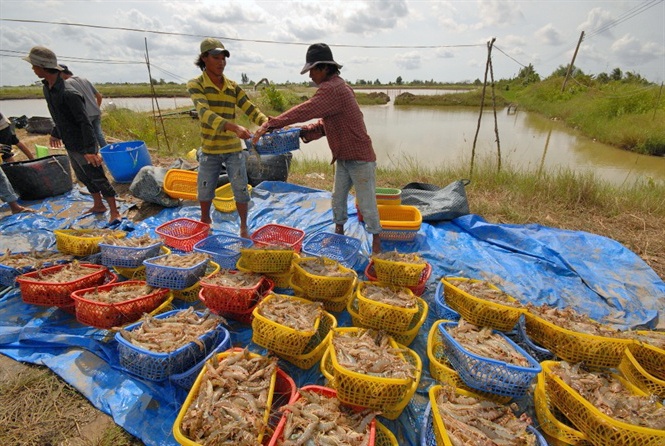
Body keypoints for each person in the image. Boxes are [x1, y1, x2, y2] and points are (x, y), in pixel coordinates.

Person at [253, 43, 382, 253]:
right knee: (337, 198)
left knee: (366, 204)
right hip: (343, 157)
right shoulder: (339, 87)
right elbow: (325, 124)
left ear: (323, 68)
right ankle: (338, 232)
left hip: (360, 158)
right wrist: (302, 132)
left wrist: (272, 123)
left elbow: (307, 109)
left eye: (312, 70)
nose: (310, 75)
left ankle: (376, 244)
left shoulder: (333, 89)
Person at [23, 46, 121, 224]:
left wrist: (91, 150)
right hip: (70, 142)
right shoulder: (48, 89)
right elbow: (58, 116)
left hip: (83, 144)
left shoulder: (69, 93)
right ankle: (98, 204)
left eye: (34, 66)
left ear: (43, 67)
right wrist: (55, 132)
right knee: (83, 176)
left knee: (97, 176)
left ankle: (115, 212)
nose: (32, 69)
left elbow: (85, 122)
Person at [187, 38, 268, 238]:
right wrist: (233, 127)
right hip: (209, 148)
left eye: (224, 58)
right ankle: (205, 220)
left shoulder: (232, 86)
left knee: (240, 188)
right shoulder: (196, 85)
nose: (221, 62)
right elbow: (204, 113)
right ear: (204, 58)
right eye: (216, 57)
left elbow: (250, 108)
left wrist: (266, 123)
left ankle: (243, 227)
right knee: (205, 190)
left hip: (233, 149)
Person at [60, 65, 107, 148]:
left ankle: (94, 154)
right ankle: (107, 152)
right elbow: (99, 96)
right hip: (96, 112)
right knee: (99, 134)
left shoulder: (67, 83)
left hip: (85, 115)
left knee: (88, 136)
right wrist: (97, 107)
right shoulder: (84, 79)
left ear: (62, 73)